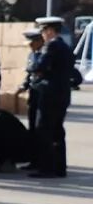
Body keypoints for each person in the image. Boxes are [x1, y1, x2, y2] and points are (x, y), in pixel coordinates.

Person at [28, 16, 75, 178]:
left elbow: (39, 66)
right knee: (57, 131)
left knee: (44, 130)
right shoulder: (65, 46)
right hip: (63, 94)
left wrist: (32, 67)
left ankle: (46, 168)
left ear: (49, 31)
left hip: (49, 94)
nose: (42, 35)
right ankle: (59, 167)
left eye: (43, 31)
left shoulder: (51, 46)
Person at [17, 29, 43, 170]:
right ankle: (33, 160)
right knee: (32, 128)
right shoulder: (32, 55)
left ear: (39, 41)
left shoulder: (45, 55)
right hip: (33, 95)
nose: (30, 46)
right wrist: (24, 85)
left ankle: (40, 161)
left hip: (42, 96)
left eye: (32, 43)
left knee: (40, 129)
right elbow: (30, 74)